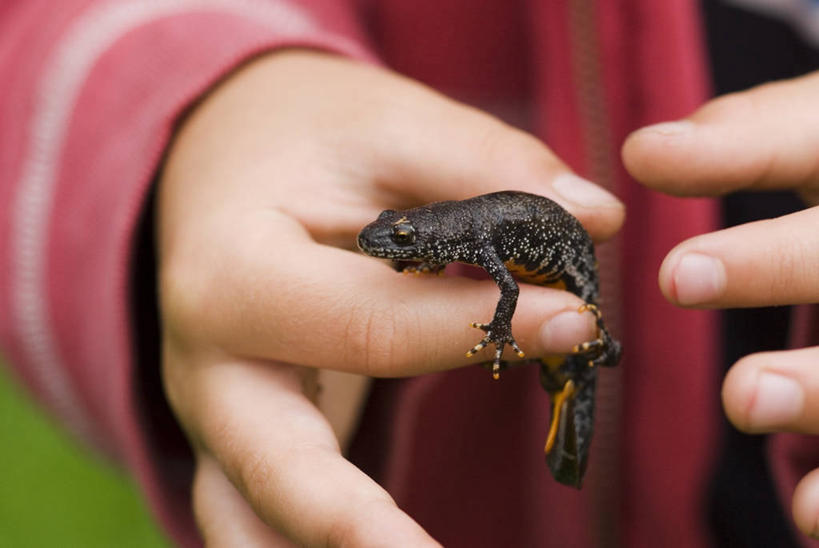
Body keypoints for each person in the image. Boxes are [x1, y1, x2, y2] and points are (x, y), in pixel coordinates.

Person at [1, 0, 818, 546]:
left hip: (736, 449)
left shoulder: (473, 244)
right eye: (396, 250)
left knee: (577, 353)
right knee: (571, 360)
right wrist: (220, 114)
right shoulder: (443, 234)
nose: (391, 255)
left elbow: (503, 287)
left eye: (402, 251)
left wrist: (504, 326)